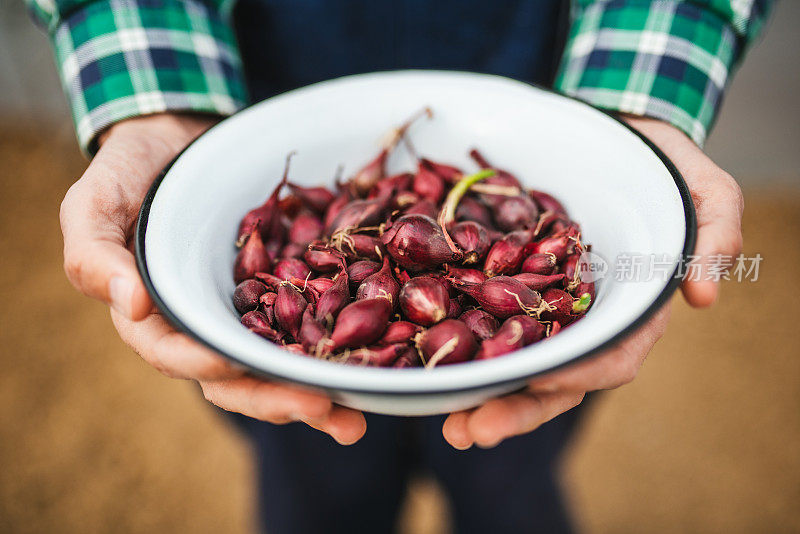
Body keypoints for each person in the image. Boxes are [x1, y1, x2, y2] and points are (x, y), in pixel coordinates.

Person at [29, 0, 770, 532]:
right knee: (314, 480)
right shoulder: (342, 275)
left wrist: (632, 114)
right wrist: (156, 104)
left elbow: (477, 280)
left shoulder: (477, 263)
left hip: (549, 78)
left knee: (510, 473)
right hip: (263, 84)